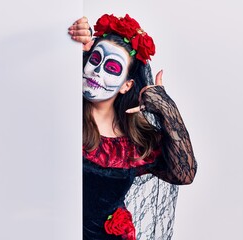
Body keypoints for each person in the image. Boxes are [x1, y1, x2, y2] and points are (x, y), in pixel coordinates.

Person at [68, 14, 197, 240]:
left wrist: (167, 109)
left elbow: (184, 174)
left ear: (126, 85)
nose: (97, 71)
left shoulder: (134, 143)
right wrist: (67, 39)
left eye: (112, 67)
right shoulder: (64, 115)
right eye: (95, 60)